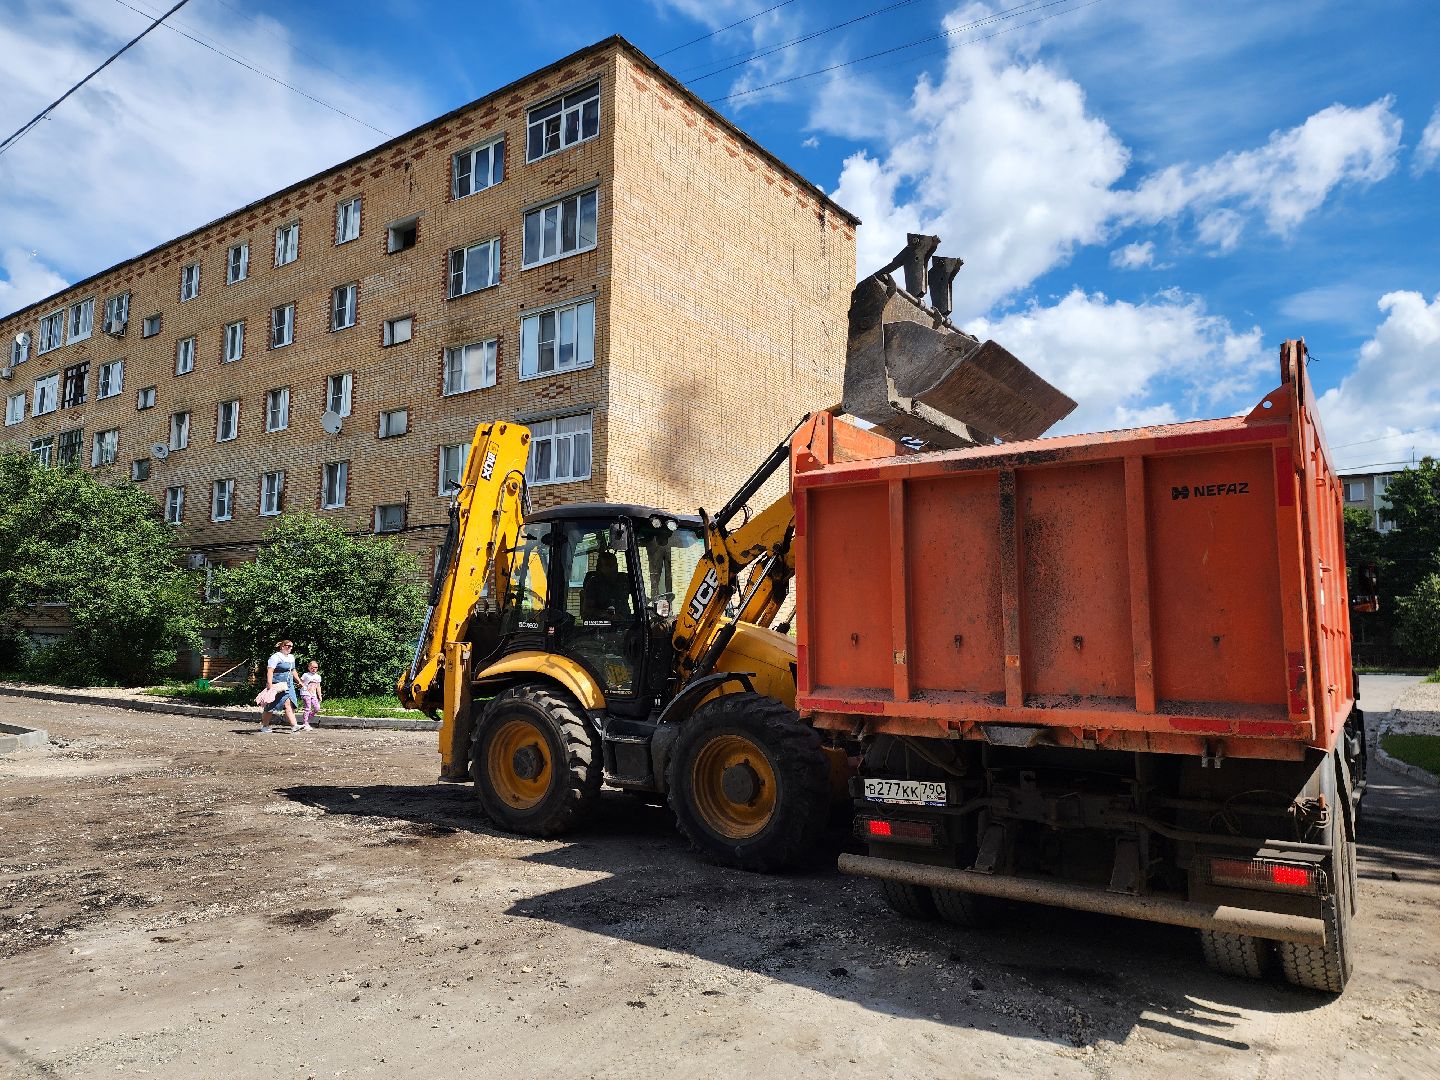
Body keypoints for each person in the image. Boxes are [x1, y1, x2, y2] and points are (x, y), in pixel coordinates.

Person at [260, 639, 300, 733]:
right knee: (270, 705)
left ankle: (294, 725)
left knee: (289, 703)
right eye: (288, 646)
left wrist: (299, 681)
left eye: (291, 646)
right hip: (278, 684)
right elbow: (270, 670)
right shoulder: (276, 657)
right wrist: (269, 683)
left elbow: (293, 671)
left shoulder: (291, 657)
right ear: (282, 646)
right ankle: (265, 726)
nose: (290, 648)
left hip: (288, 684)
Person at [580, 550, 632, 621]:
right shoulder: (594, 583)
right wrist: (608, 615)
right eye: (608, 565)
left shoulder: (624, 579)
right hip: (602, 626)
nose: (612, 568)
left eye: (614, 564)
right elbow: (588, 610)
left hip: (627, 623)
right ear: (600, 568)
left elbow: (638, 595)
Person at [299, 660, 323, 730]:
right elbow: (300, 682)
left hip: (313, 694)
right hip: (306, 693)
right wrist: (301, 686)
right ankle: (305, 723)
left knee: (317, 708)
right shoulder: (305, 675)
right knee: (307, 708)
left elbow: (318, 686)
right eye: (312, 667)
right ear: (309, 667)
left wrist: (320, 696)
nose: (314, 669)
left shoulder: (318, 676)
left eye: (316, 667)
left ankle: (309, 716)